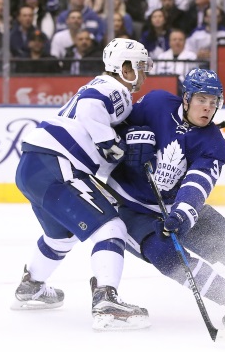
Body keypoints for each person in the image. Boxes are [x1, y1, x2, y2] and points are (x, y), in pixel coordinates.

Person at [107, 69, 225, 329]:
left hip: (176, 206)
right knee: (165, 255)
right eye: (202, 100)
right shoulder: (156, 102)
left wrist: (183, 214)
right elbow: (116, 128)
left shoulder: (214, 144)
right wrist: (132, 141)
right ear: (186, 98)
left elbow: (198, 183)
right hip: (129, 205)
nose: (208, 108)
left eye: (214, 102)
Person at [12, 38, 153, 331]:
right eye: (139, 66)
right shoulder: (116, 89)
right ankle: (106, 301)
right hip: (56, 162)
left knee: (61, 237)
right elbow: (92, 105)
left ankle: (31, 286)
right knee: (112, 228)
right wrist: (108, 142)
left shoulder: (102, 86)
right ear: (124, 67)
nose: (143, 73)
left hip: (35, 166)